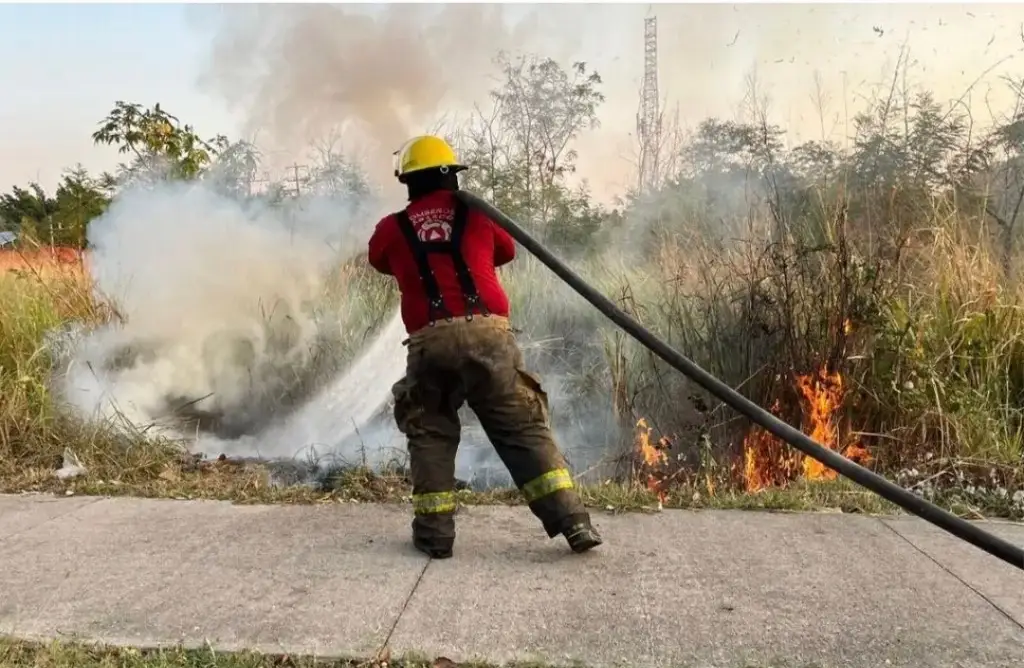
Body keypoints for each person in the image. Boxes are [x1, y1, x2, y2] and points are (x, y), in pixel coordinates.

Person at [367, 135, 603, 559]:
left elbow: (379, 260)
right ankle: (574, 523)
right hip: (489, 336)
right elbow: (506, 251)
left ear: (407, 181)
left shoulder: (391, 228)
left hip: (430, 341)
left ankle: (435, 536)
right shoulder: (479, 216)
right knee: (522, 428)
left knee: (431, 430)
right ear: (453, 175)